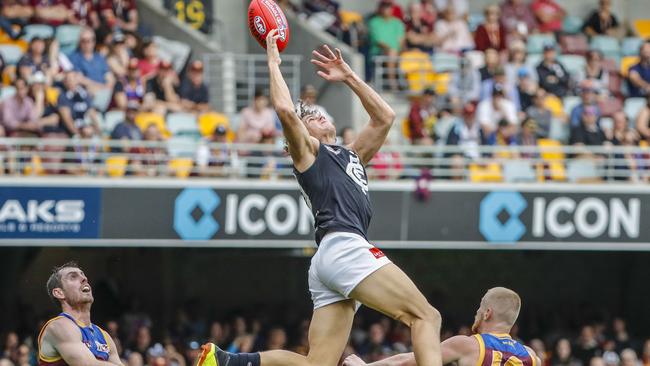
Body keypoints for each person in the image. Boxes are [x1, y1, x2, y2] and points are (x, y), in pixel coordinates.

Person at [197, 29, 443, 366]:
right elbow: (285, 110)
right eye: (307, 117)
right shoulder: (309, 153)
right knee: (426, 317)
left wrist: (350, 77)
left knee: (318, 364)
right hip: (345, 247)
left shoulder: (352, 154)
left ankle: (226, 361)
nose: (313, 113)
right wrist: (272, 61)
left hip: (330, 257)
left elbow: (385, 117)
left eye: (314, 111)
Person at [343, 287, 541, 366]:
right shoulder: (532, 357)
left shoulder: (469, 345)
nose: (477, 313)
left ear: (487, 313)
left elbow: (408, 361)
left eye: (480, 308)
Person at [37, 262, 123, 365]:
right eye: (73, 277)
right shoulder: (59, 326)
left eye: (83, 275)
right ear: (59, 293)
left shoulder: (104, 336)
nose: (84, 279)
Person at [368, 1, 406, 90]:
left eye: (389, 6)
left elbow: (401, 40)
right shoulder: (374, 22)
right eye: (384, 6)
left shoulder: (398, 22)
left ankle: (408, 86)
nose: (387, 9)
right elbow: (378, 41)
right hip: (379, 52)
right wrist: (391, 50)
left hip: (396, 53)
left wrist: (397, 51)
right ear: (380, 8)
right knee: (392, 53)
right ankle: (393, 83)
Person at [68, 27, 115, 94]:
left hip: (104, 90)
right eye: (83, 41)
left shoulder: (99, 57)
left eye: (89, 40)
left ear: (94, 41)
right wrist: (101, 87)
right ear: (79, 42)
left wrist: (107, 87)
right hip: (88, 91)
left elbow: (109, 77)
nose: (86, 44)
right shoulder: (74, 57)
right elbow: (80, 79)